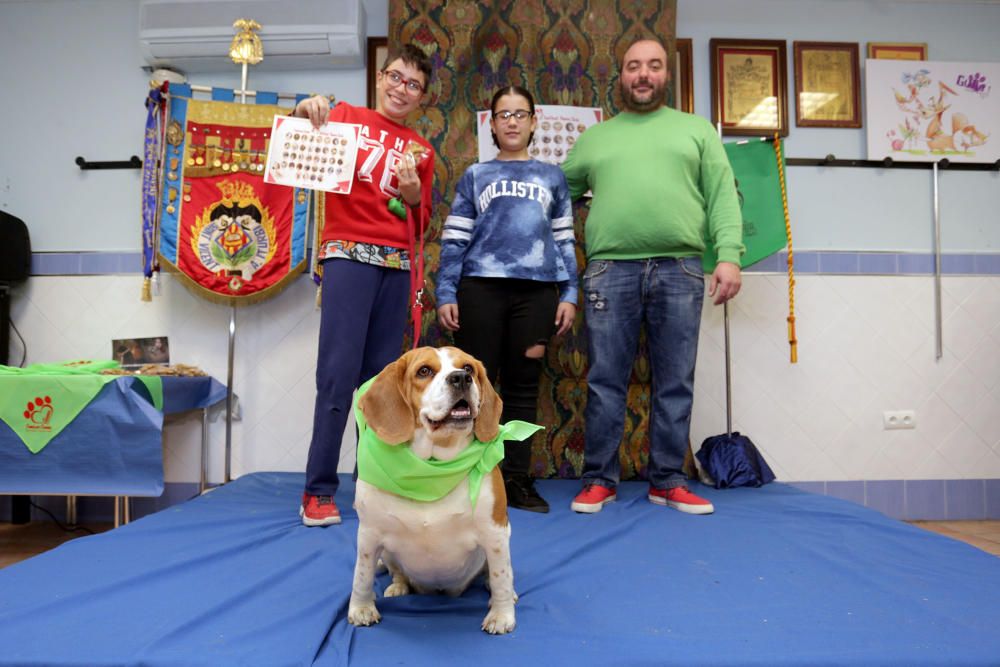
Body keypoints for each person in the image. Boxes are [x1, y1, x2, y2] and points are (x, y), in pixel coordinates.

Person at [561, 39, 743, 515]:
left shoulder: (697, 130)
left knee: (675, 381)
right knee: (605, 380)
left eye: (654, 66)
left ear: (667, 75)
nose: (643, 74)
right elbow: (558, 193)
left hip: (680, 268)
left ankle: (667, 479)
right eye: (634, 66)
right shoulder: (596, 138)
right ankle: (600, 478)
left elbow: (723, 195)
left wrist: (729, 255)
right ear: (620, 76)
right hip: (608, 270)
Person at [295, 44, 435, 526]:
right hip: (347, 257)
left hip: (397, 267)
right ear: (381, 77)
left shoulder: (423, 149)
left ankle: (372, 485)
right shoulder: (345, 116)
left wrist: (414, 193)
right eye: (396, 77)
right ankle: (318, 490)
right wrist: (306, 108)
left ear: (422, 96)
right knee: (336, 375)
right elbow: (300, 130)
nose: (401, 88)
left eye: (413, 84)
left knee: (381, 385)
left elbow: (423, 221)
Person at [436, 85, 577, 513]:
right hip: (480, 288)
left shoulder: (552, 178)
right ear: (492, 125)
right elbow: (455, 238)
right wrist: (446, 290)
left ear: (534, 122)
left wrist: (570, 291)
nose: (512, 121)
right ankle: (466, 474)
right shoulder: (476, 176)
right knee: (473, 386)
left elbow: (565, 240)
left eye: (520, 114)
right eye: (503, 114)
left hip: (536, 294)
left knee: (522, 388)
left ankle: (516, 479)